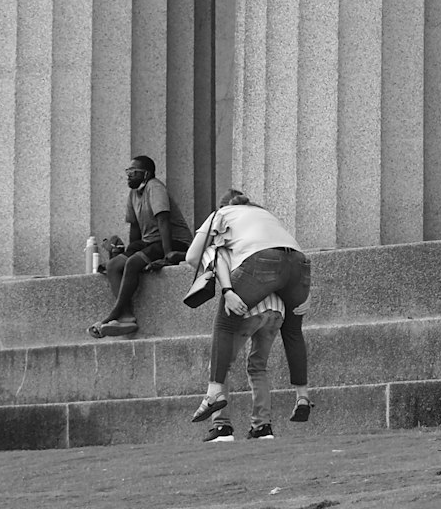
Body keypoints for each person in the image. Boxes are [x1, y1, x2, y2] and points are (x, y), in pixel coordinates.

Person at [186, 188, 313, 442]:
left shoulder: (220, 216)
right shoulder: (264, 216)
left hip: (251, 303)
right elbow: (287, 256)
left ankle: (220, 422)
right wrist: (306, 294)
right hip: (286, 293)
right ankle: (286, 408)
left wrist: (227, 289)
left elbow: (192, 257)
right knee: (261, 363)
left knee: (221, 348)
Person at [87, 155, 193, 337]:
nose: (129, 176)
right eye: (128, 172)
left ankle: (115, 313)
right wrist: (127, 251)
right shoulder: (133, 194)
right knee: (113, 266)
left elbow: (164, 221)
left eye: (133, 172)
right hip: (150, 242)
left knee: (134, 263)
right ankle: (127, 317)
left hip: (173, 241)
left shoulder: (155, 187)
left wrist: (169, 255)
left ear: (146, 174)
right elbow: (135, 227)